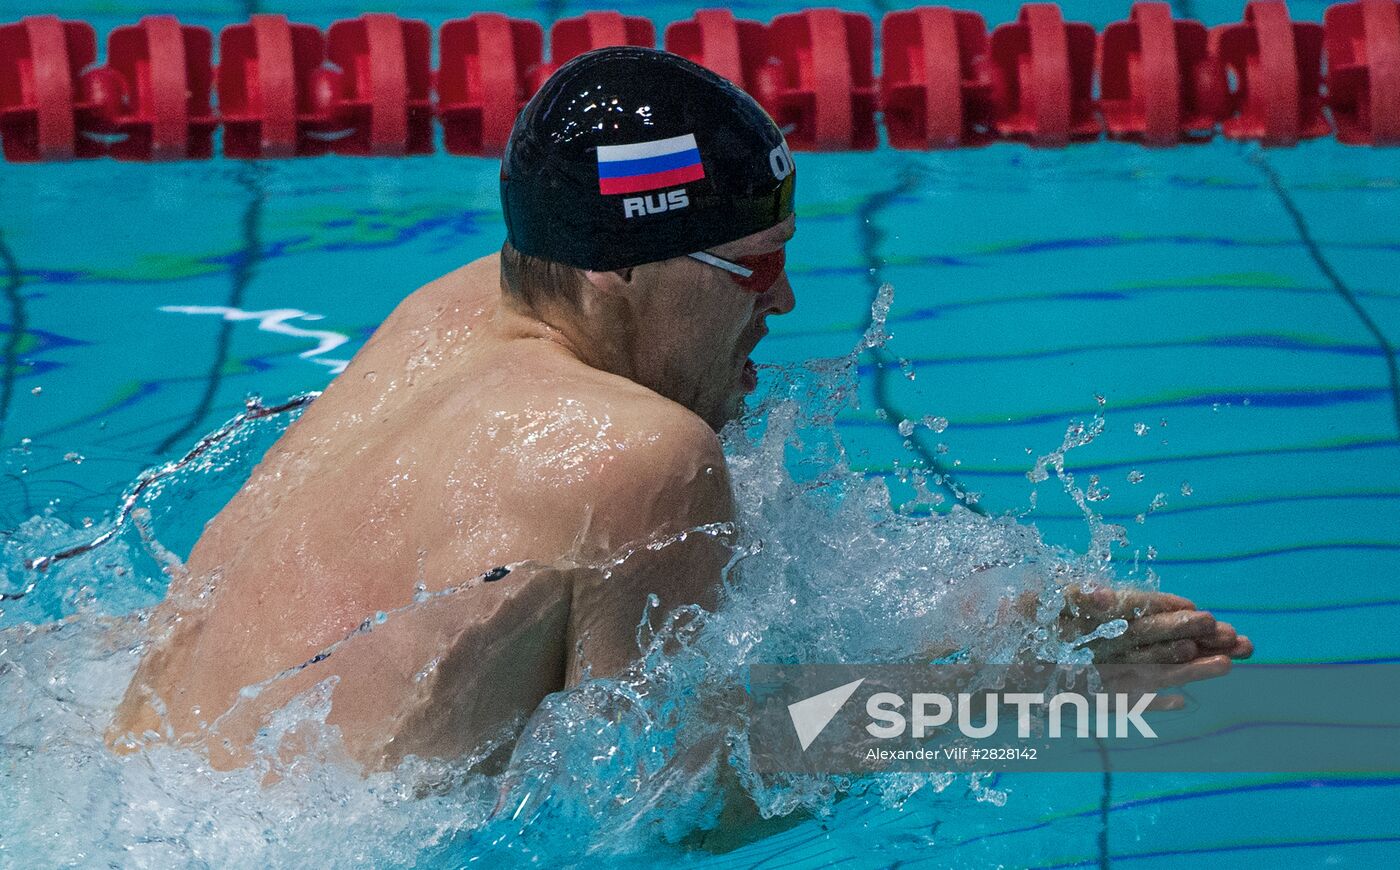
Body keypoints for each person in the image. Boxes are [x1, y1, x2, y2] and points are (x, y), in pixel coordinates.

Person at [107, 47, 1250, 773]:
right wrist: (995, 699)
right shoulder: (637, 453)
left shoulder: (448, 311)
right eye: (748, 268)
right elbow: (663, 808)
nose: (786, 300)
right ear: (620, 273)